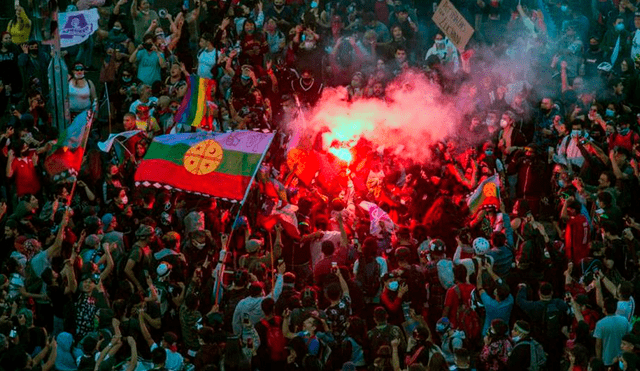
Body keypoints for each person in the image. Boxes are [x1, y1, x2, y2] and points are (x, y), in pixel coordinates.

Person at [594, 297, 632, 367]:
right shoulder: (624, 320)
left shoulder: (600, 324)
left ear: (604, 309)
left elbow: (598, 345)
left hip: (607, 359)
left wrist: (598, 360)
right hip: (622, 358)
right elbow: (629, 337)